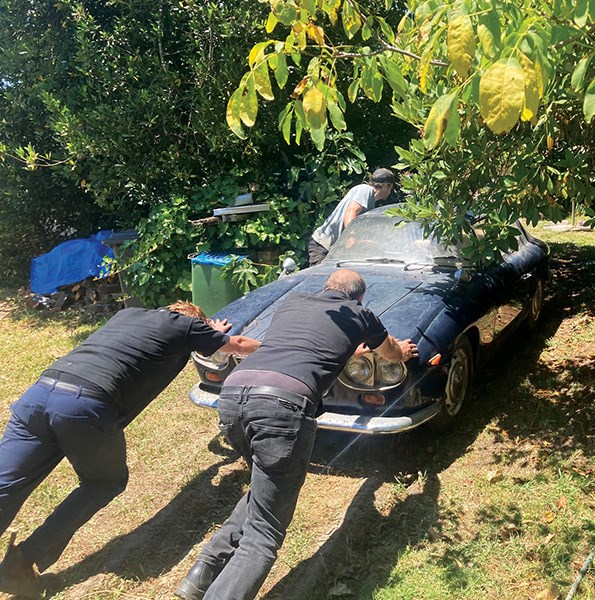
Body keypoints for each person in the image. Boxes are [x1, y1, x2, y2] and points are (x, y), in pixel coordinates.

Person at [174, 269, 418, 600]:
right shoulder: (361, 315)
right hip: (281, 406)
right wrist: (402, 351)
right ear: (359, 298)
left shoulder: (294, 301)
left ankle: (201, 575)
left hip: (233, 397)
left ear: (326, 288)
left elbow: (302, 345)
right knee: (265, 530)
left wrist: (350, 352)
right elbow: (389, 351)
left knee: (266, 489)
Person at [0, 302, 261, 597]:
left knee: (6, 483)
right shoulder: (185, 326)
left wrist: (205, 333)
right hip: (84, 405)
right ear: (197, 322)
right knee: (103, 483)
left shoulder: (129, 314)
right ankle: (20, 562)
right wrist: (280, 349)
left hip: (40, 393)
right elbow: (236, 344)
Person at [306, 168, 395, 266]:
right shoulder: (366, 190)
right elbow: (351, 211)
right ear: (387, 185)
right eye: (391, 188)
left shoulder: (370, 202)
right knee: (318, 279)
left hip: (335, 251)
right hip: (323, 246)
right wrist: (351, 237)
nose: (390, 192)